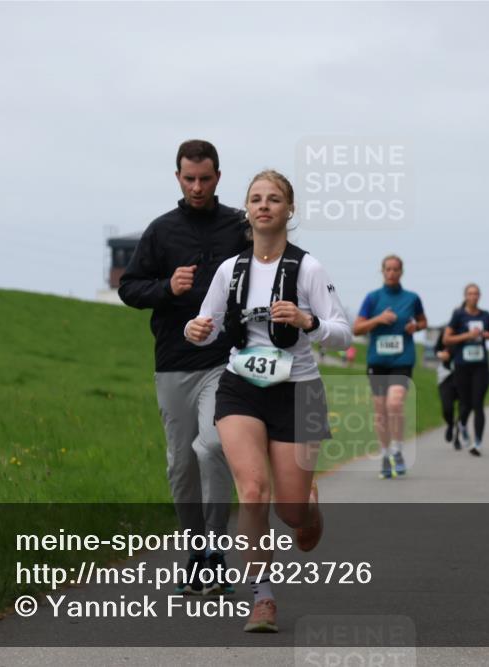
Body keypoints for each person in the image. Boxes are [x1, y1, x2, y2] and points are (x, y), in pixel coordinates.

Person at [184, 169, 351, 633]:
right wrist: (193, 330)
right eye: (256, 198)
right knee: (253, 492)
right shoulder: (230, 269)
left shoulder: (309, 268)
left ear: (289, 209)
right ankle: (262, 598)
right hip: (241, 387)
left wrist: (306, 320)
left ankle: (308, 507)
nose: (264, 206)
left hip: (299, 391)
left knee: (291, 511)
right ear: (247, 209)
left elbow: (342, 334)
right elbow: (206, 324)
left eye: (274, 199)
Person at [119, 139, 249, 596]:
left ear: (218, 177)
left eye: (205, 178)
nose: (197, 186)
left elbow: (270, 264)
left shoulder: (239, 226)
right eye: (189, 178)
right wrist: (166, 288)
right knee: (180, 464)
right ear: (177, 177)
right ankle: (195, 552)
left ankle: (215, 551)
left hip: (223, 361)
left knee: (212, 448)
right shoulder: (161, 231)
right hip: (173, 363)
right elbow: (130, 289)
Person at [353, 255, 427, 478]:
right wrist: (378, 320)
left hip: (402, 360)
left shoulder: (412, 298)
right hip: (378, 361)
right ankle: (385, 455)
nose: (392, 273)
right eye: (388, 269)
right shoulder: (372, 298)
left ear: (401, 272)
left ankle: (397, 450)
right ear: (382, 271)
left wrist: (416, 326)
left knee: (394, 404)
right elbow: (357, 329)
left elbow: (423, 322)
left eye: (396, 269)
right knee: (381, 412)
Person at [443, 284, 489, 456]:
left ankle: (478, 443)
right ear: (465, 296)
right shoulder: (458, 315)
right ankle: (462, 425)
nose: (473, 297)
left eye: (476, 294)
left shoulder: (485, 315)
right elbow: (447, 339)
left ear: (479, 296)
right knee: (466, 403)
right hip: (462, 365)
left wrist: (488, 335)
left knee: (478, 403)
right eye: (470, 294)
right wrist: (467, 336)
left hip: (480, 365)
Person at [434, 328, 461, 450]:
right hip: (446, 375)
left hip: (463, 375)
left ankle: (457, 437)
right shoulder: (446, 331)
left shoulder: (468, 332)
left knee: (463, 409)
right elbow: (437, 349)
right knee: (447, 407)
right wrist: (440, 354)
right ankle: (450, 424)